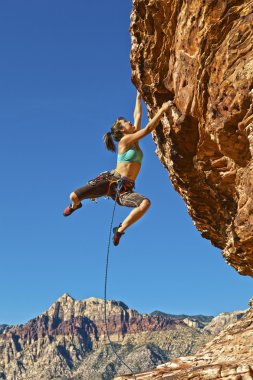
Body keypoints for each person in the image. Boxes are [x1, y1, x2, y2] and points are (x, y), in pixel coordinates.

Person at [63, 91, 172, 246]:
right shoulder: (125, 141)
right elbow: (148, 129)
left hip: (124, 189)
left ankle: (120, 230)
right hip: (110, 181)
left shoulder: (133, 141)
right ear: (122, 131)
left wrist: (138, 97)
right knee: (73, 196)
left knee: (145, 203)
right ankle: (76, 206)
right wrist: (162, 110)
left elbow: (138, 116)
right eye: (126, 122)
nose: (130, 122)